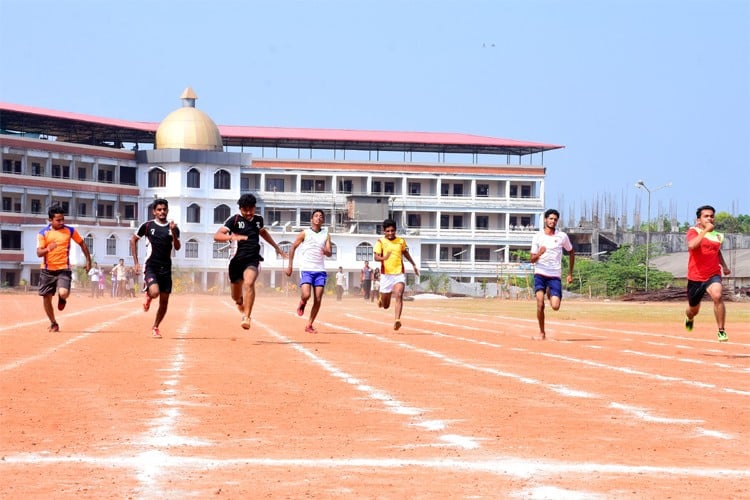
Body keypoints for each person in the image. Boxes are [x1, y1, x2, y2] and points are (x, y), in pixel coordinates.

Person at [214, 193, 286, 330]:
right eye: (244, 210)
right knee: (235, 296)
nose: (248, 213)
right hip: (236, 262)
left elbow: (263, 232)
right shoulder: (234, 220)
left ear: (255, 208)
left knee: (249, 283)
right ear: (240, 209)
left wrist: (277, 247)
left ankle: (247, 317)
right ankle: (240, 301)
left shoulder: (258, 219)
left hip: (252, 259)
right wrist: (234, 237)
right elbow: (217, 236)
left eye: (251, 209)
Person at [36, 204, 92, 332]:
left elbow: (82, 244)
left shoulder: (70, 230)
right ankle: (53, 323)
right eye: (58, 220)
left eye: (63, 219)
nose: (61, 222)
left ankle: (62, 299)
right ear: (50, 220)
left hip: (63, 269)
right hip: (47, 270)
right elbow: (39, 253)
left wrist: (88, 261)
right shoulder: (43, 233)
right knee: (46, 298)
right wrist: (47, 249)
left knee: (64, 293)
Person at [130, 198, 181, 339]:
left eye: (164, 209)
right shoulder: (147, 226)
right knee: (155, 292)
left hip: (166, 268)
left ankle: (156, 326)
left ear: (167, 211)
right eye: (159, 209)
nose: (162, 212)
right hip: (151, 265)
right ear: (154, 212)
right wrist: (136, 262)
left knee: (164, 301)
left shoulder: (173, 227)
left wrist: (173, 233)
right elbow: (133, 239)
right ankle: (149, 296)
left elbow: (177, 247)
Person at [684, 205, 731, 342]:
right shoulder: (693, 231)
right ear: (699, 219)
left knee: (717, 295)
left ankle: (721, 331)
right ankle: (689, 318)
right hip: (696, 277)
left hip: (713, 274)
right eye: (706, 216)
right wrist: (705, 231)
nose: (710, 218)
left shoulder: (718, 236)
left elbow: (717, 251)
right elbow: (692, 245)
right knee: (693, 310)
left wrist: (725, 266)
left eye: (711, 216)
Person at [529, 208, 575, 340]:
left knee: (555, 306)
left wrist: (570, 273)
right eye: (550, 219)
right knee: (540, 304)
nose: (553, 221)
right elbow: (532, 260)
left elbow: (571, 252)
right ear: (545, 220)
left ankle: (549, 291)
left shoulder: (562, 237)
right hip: (540, 273)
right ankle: (542, 332)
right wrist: (539, 253)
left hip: (555, 275)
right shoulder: (538, 237)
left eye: (555, 219)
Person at [286, 209, 333, 333]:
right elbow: (293, 248)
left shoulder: (326, 234)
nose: (318, 218)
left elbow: (329, 252)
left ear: (323, 220)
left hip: (320, 270)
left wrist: (326, 251)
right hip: (306, 269)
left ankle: (309, 325)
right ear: (312, 219)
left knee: (318, 299)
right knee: (306, 295)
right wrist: (290, 265)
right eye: (316, 216)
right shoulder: (304, 233)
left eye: (321, 216)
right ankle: (302, 302)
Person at [374, 218, 419, 331]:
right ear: (384, 231)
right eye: (388, 231)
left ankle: (397, 320)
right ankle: (381, 298)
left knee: (399, 294)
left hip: (399, 273)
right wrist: (384, 258)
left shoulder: (401, 241)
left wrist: (413, 264)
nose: (390, 233)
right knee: (385, 306)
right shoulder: (380, 242)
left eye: (392, 230)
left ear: (395, 230)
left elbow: (405, 252)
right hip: (386, 275)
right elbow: (376, 257)